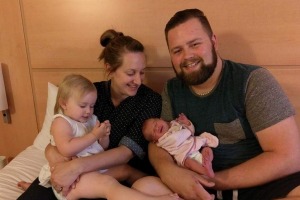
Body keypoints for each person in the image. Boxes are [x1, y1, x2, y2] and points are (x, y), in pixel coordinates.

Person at [145, 8, 300, 200]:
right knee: (145, 187)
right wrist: (167, 170)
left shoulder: (253, 80)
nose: (187, 56)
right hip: (194, 188)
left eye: (194, 44)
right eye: (177, 50)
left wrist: (210, 181)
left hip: (256, 185)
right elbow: (158, 141)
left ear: (213, 42)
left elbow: (290, 157)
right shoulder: (172, 88)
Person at [17, 29, 180, 200]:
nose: (138, 81)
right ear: (109, 68)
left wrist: (76, 168)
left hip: (115, 177)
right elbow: (59, 136)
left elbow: (125, 153)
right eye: (131, 73)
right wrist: (56, 160)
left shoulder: (150, 100)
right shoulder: (91, 95)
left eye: (142, 72)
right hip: (73, 167)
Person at [142, 113, 218, 178]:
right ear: (155, 141)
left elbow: (191, 131)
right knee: (190, 163)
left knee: (207, 149)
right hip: (184, 155)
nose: (156, 127)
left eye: (155, 123)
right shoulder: (162, 141)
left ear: (161, 119)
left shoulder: (175, 124)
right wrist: (184, 131)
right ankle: (205, 171)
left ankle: (208, 163)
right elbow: (175, 140)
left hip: (194, 146)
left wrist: (187, 123)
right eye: (154, 131)